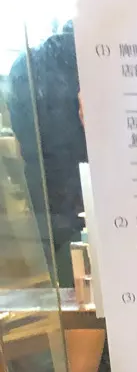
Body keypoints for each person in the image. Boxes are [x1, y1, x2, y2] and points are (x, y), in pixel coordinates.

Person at [8, 22, 87, 289]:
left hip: (45, 201)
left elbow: (23, 142)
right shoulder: (89, 62)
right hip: (83, 198)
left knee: (65, 284)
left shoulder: (24, 66)